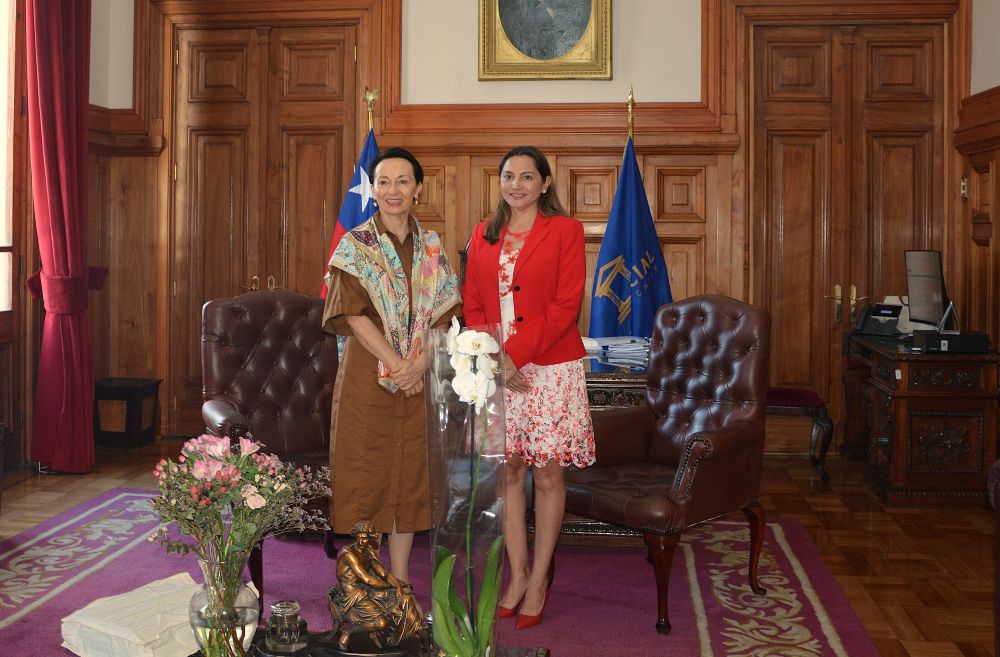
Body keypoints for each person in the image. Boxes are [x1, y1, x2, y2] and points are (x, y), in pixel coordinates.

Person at [461, 145, 595, 630]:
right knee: (509, 474)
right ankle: (516, 576)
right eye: (508, 176)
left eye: (526, 177)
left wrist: (515, 356)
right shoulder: (483, 234)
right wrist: (495, 357)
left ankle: (539, 580)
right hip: (498, 367)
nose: (515, 184)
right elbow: (473, 303)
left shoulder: (565, 231)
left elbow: (565, 306)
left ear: (543, 184)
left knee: (547, 475)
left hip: (550, 367)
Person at [323, 147, 461, 586]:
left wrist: (418, 364)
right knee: (370, 475)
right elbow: (351, 313)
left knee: (411, 477)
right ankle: (371, 580)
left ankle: (400, 581)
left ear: (418, 189)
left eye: (403, 181)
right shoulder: (356, 245)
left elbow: (446, 315)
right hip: (369, 376)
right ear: (373, 189)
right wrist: (398, 364)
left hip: (421, 378)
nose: (393, 190)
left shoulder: (433, 247)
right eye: (384, 181)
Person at [329, 520, 425, 651]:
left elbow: (383, 572)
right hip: (353, 596)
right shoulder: (349, 554)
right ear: (355, 536)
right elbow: (367, 579)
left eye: (366, 538)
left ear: (371, 538)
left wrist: (396, 585)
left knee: (405, 599)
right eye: (360, 538)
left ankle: (401, 635)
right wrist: (390, 586)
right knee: (381, 622)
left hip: (368, 590)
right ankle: (348, 633)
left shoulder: (368, 550)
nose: (362, 542)